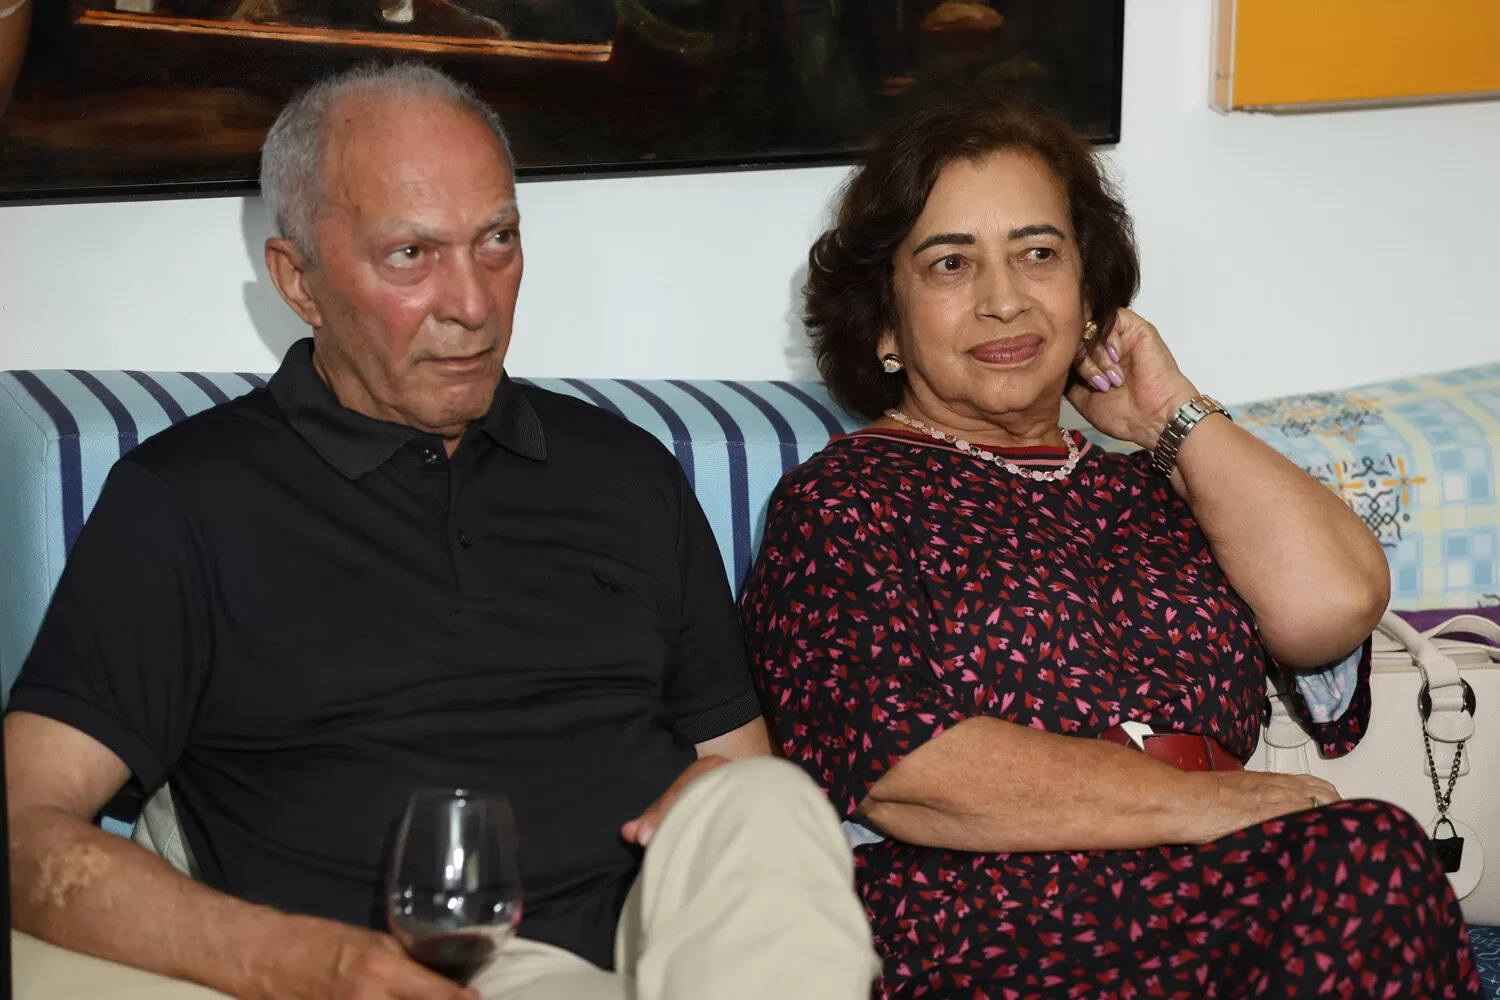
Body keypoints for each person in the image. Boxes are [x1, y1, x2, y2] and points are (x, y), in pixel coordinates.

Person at [5, 62, 877, 1000]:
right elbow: (22, 825)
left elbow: (737, 773)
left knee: (769, 798)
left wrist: (718, 800)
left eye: (497, 240)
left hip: (682, 950)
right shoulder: (187, 499)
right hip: (435, 964)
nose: (473, 303)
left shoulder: (627, 473)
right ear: (299, 280)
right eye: (410, 255)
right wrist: (301, 961)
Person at [739, 96, 1485, 999]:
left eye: (1039, 253)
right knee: (1367, 858)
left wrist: (1172, 416)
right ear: (885, 324)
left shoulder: (1155, 484)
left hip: (1224, 890)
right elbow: (900, 767)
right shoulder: (843, 499)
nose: (1005, 298)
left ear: (1090, 295)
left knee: (1364, 860)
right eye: (950, 264)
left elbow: (1335, 605)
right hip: (990, 913)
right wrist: (1202, 803)